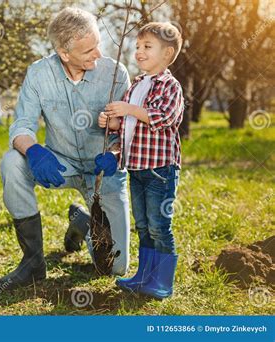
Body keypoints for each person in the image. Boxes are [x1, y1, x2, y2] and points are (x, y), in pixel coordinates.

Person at [0, 7, 131, 289]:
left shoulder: (116, 73)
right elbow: (21, 126)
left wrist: (116, 154)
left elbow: (130, 131)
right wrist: (33, 151)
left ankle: (82, 221)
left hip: (102, 172)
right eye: (88, 51)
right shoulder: (38, 74)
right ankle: (33, 263)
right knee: (11, 162)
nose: (98, 54)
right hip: (60, 164)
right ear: (64, 53)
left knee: (113, 267)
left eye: (98, 45)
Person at [97, 22, 184, 299]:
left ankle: (162, 282)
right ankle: (144, 276)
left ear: (167, 54)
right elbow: (126, 128)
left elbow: (163, 117)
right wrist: (110, 121)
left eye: (147, 47)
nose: (139, 52)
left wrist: (129, 109)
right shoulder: (136, 85)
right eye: (137, 47)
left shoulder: (170, 85)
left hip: (160, 170)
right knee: (143, 225)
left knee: (160, 226)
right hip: (136, 168)